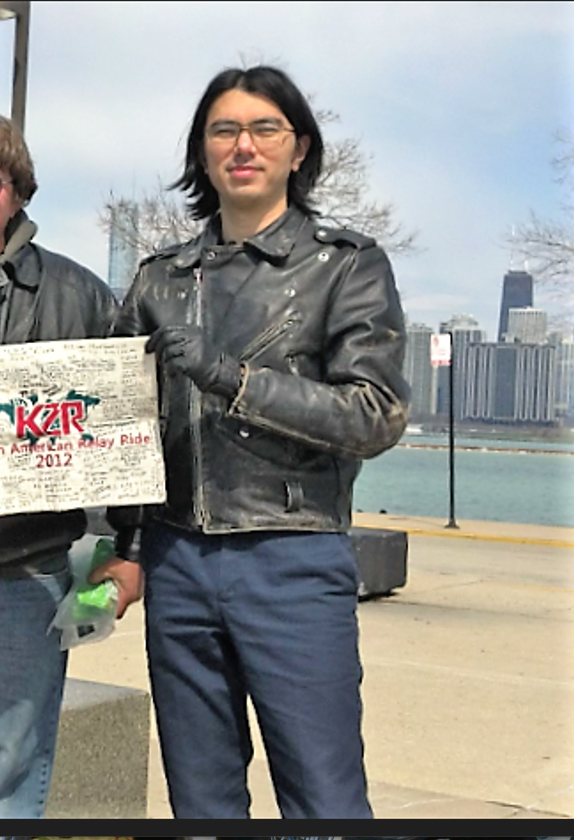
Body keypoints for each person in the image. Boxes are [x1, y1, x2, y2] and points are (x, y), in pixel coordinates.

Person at [94, 63, 410, 818]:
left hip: (292, 558)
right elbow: (121, 427)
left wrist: (234, 379)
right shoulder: (159, 280)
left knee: (324, 798)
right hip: (176, 561)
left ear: (299, 149)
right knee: (200, 801)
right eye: (224, 130)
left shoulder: (345, 265)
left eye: (265, 128)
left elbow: (375, 414)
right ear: (202, 154)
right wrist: (126, 547)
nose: (244, 145)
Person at [0, 116, 118, 818]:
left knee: (9, 763)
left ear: (17, 189)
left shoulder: (83, 297)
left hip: (26, 568)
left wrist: (117, 553)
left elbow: (125, 443)